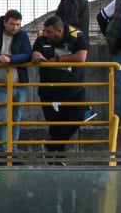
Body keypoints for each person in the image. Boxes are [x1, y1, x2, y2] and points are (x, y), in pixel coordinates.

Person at [28, 16, 89, 153]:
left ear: (59, 31)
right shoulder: (42, 36)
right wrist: (37, 56)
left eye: (49, 32)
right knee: (55, 126)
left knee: (77, 118)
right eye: (45, 31)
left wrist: (56, 60)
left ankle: (51, 145)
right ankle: (56, 158)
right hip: (49, 91)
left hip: (73, 90)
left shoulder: (77, 36)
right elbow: (36, 51)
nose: (46, 34)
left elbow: (81, 57)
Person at [0, 10, 34, 135]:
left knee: (16, 118)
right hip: (0, 84)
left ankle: (12, 150)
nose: (15, 27)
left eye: (17, 24)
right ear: (5, 23)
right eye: (12, 24)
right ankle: (3, 150)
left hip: (19, 84)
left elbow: (27, 54)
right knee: (1, 118)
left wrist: (11, 59)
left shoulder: (23, 35)